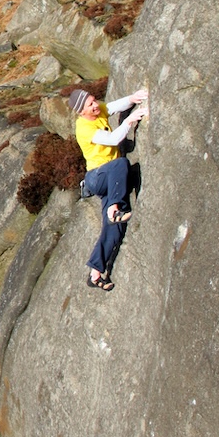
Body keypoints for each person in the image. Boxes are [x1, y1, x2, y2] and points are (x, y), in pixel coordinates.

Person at [68, 87, 149, 291]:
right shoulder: (84, 128)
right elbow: (113, 140)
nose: (95, 106)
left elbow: (113, 106)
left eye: (94, 101)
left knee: (114, 229)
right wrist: (129, 121)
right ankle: (114, 208)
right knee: (120, 164)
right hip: (97, 177)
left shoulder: (98, 111)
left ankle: (96, 272)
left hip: (111, 179)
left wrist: (133, 98)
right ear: (81, 112)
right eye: (90, 105)